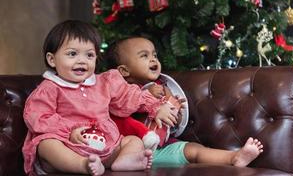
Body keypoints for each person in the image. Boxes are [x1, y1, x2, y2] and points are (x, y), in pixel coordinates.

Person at [22, 20, 178, 176]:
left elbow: (128, 97)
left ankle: (124, 161)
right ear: (52, 59)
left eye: (89, 55)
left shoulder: (105, 82)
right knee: (46, 144)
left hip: (106, 146)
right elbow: (39, 117)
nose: (82, 60)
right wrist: (68, 132)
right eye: (72, 54)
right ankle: (82, 165)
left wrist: (154, 107)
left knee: (132, 140)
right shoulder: (50, 88)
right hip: (69, 145)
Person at [105, 36, 264, 167]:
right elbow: (120, 111)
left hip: (160, 149)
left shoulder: (163, 86)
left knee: (195, 150)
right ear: (124, 70)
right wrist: (145, 95)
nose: (153, 59)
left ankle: (234, 157)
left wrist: (176, 112)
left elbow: (174, 124)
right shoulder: (118, 90)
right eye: (144, 56)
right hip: (130, 151)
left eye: (154, 55)